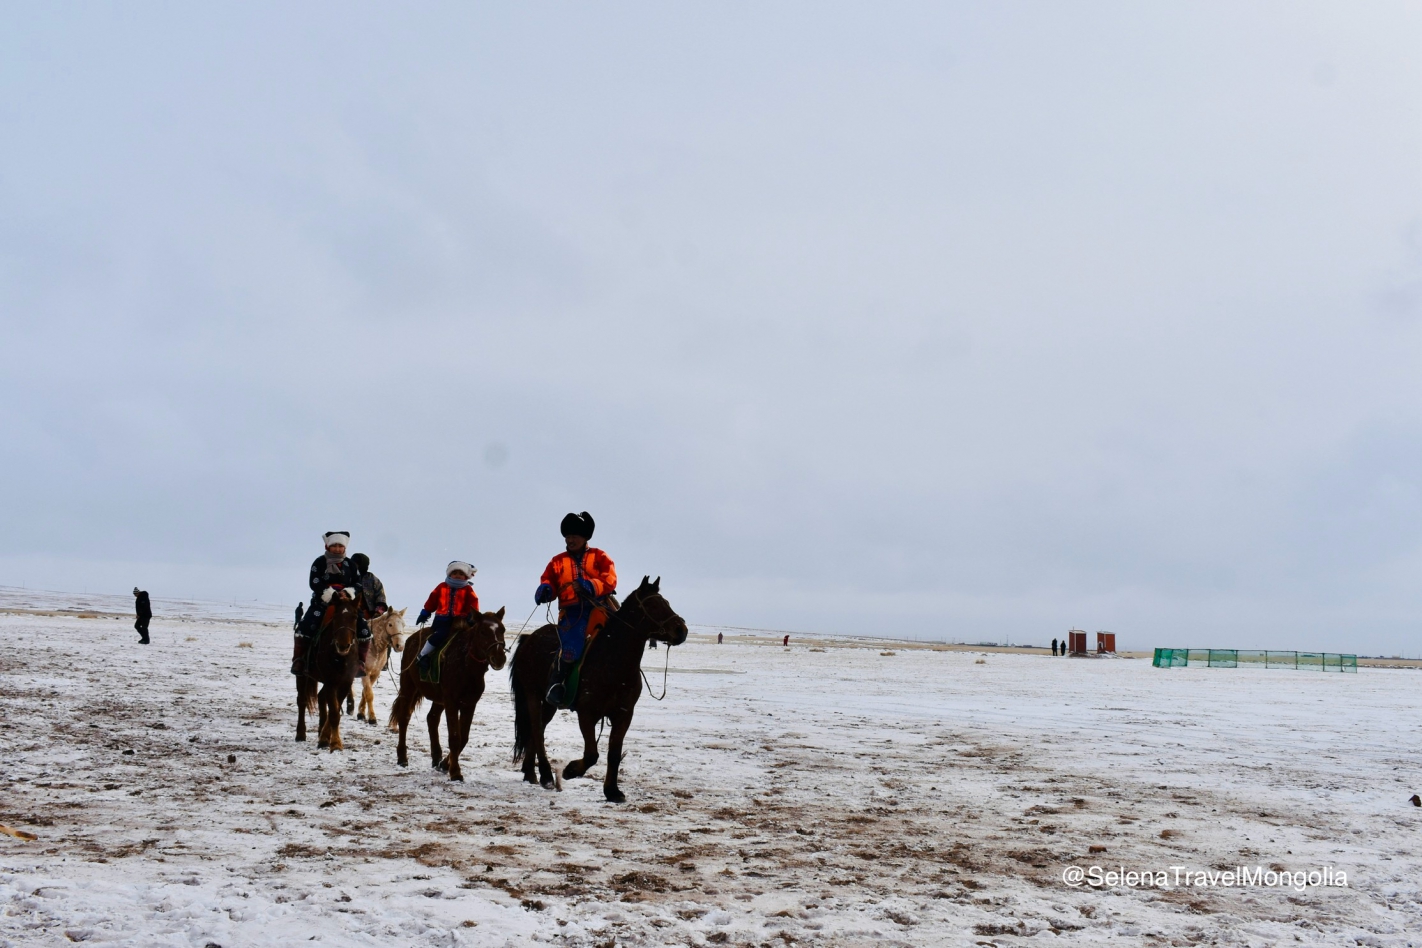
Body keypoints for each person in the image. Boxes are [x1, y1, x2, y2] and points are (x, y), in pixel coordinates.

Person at [534, 511, 617, 706]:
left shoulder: (600, 556)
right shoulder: (557, 561)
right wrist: (545, 589)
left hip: (600, 606)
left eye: (574, 537)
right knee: (571, 648)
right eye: (568, 537)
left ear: (584, 538)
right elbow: (548, 580)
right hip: (572, 612)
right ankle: (558, 683)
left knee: (622, 636)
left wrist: (590, 586)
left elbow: (610, 579)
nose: (570, 540)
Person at [292, 531, 371, 675]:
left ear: (344, 547)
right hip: (323, 601)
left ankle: (360, 662)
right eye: (334, 545)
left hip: (347, 602)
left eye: (340, 546)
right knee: (305, 627)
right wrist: (331, 594)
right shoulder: (319, 562)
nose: (337, 549)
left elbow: (358, 583)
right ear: (328, 546)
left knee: (365, 630)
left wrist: (346, 592)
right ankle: (299, 659)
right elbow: (314, 581)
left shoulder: (351, 565)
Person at [415, 561, 480, 673]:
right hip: (442, 621)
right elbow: (432, 600)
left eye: (461, 573)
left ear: (465, 576)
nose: (457, 575)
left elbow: (473, 603)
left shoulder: (468, 590)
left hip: (461, 622)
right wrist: (425, 612)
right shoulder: (441, 587)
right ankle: (422, 655)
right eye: (455, 573)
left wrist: (472, 617)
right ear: (449, 574)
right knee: (440, 635)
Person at [350, 553, 389, 620]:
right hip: (351, 612)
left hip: (370, 614)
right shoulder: (349, 578)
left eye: (357, 564)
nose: (354, 566)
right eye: (352, 564)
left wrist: (378, 611)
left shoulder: (372, 579)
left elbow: (380, 595)